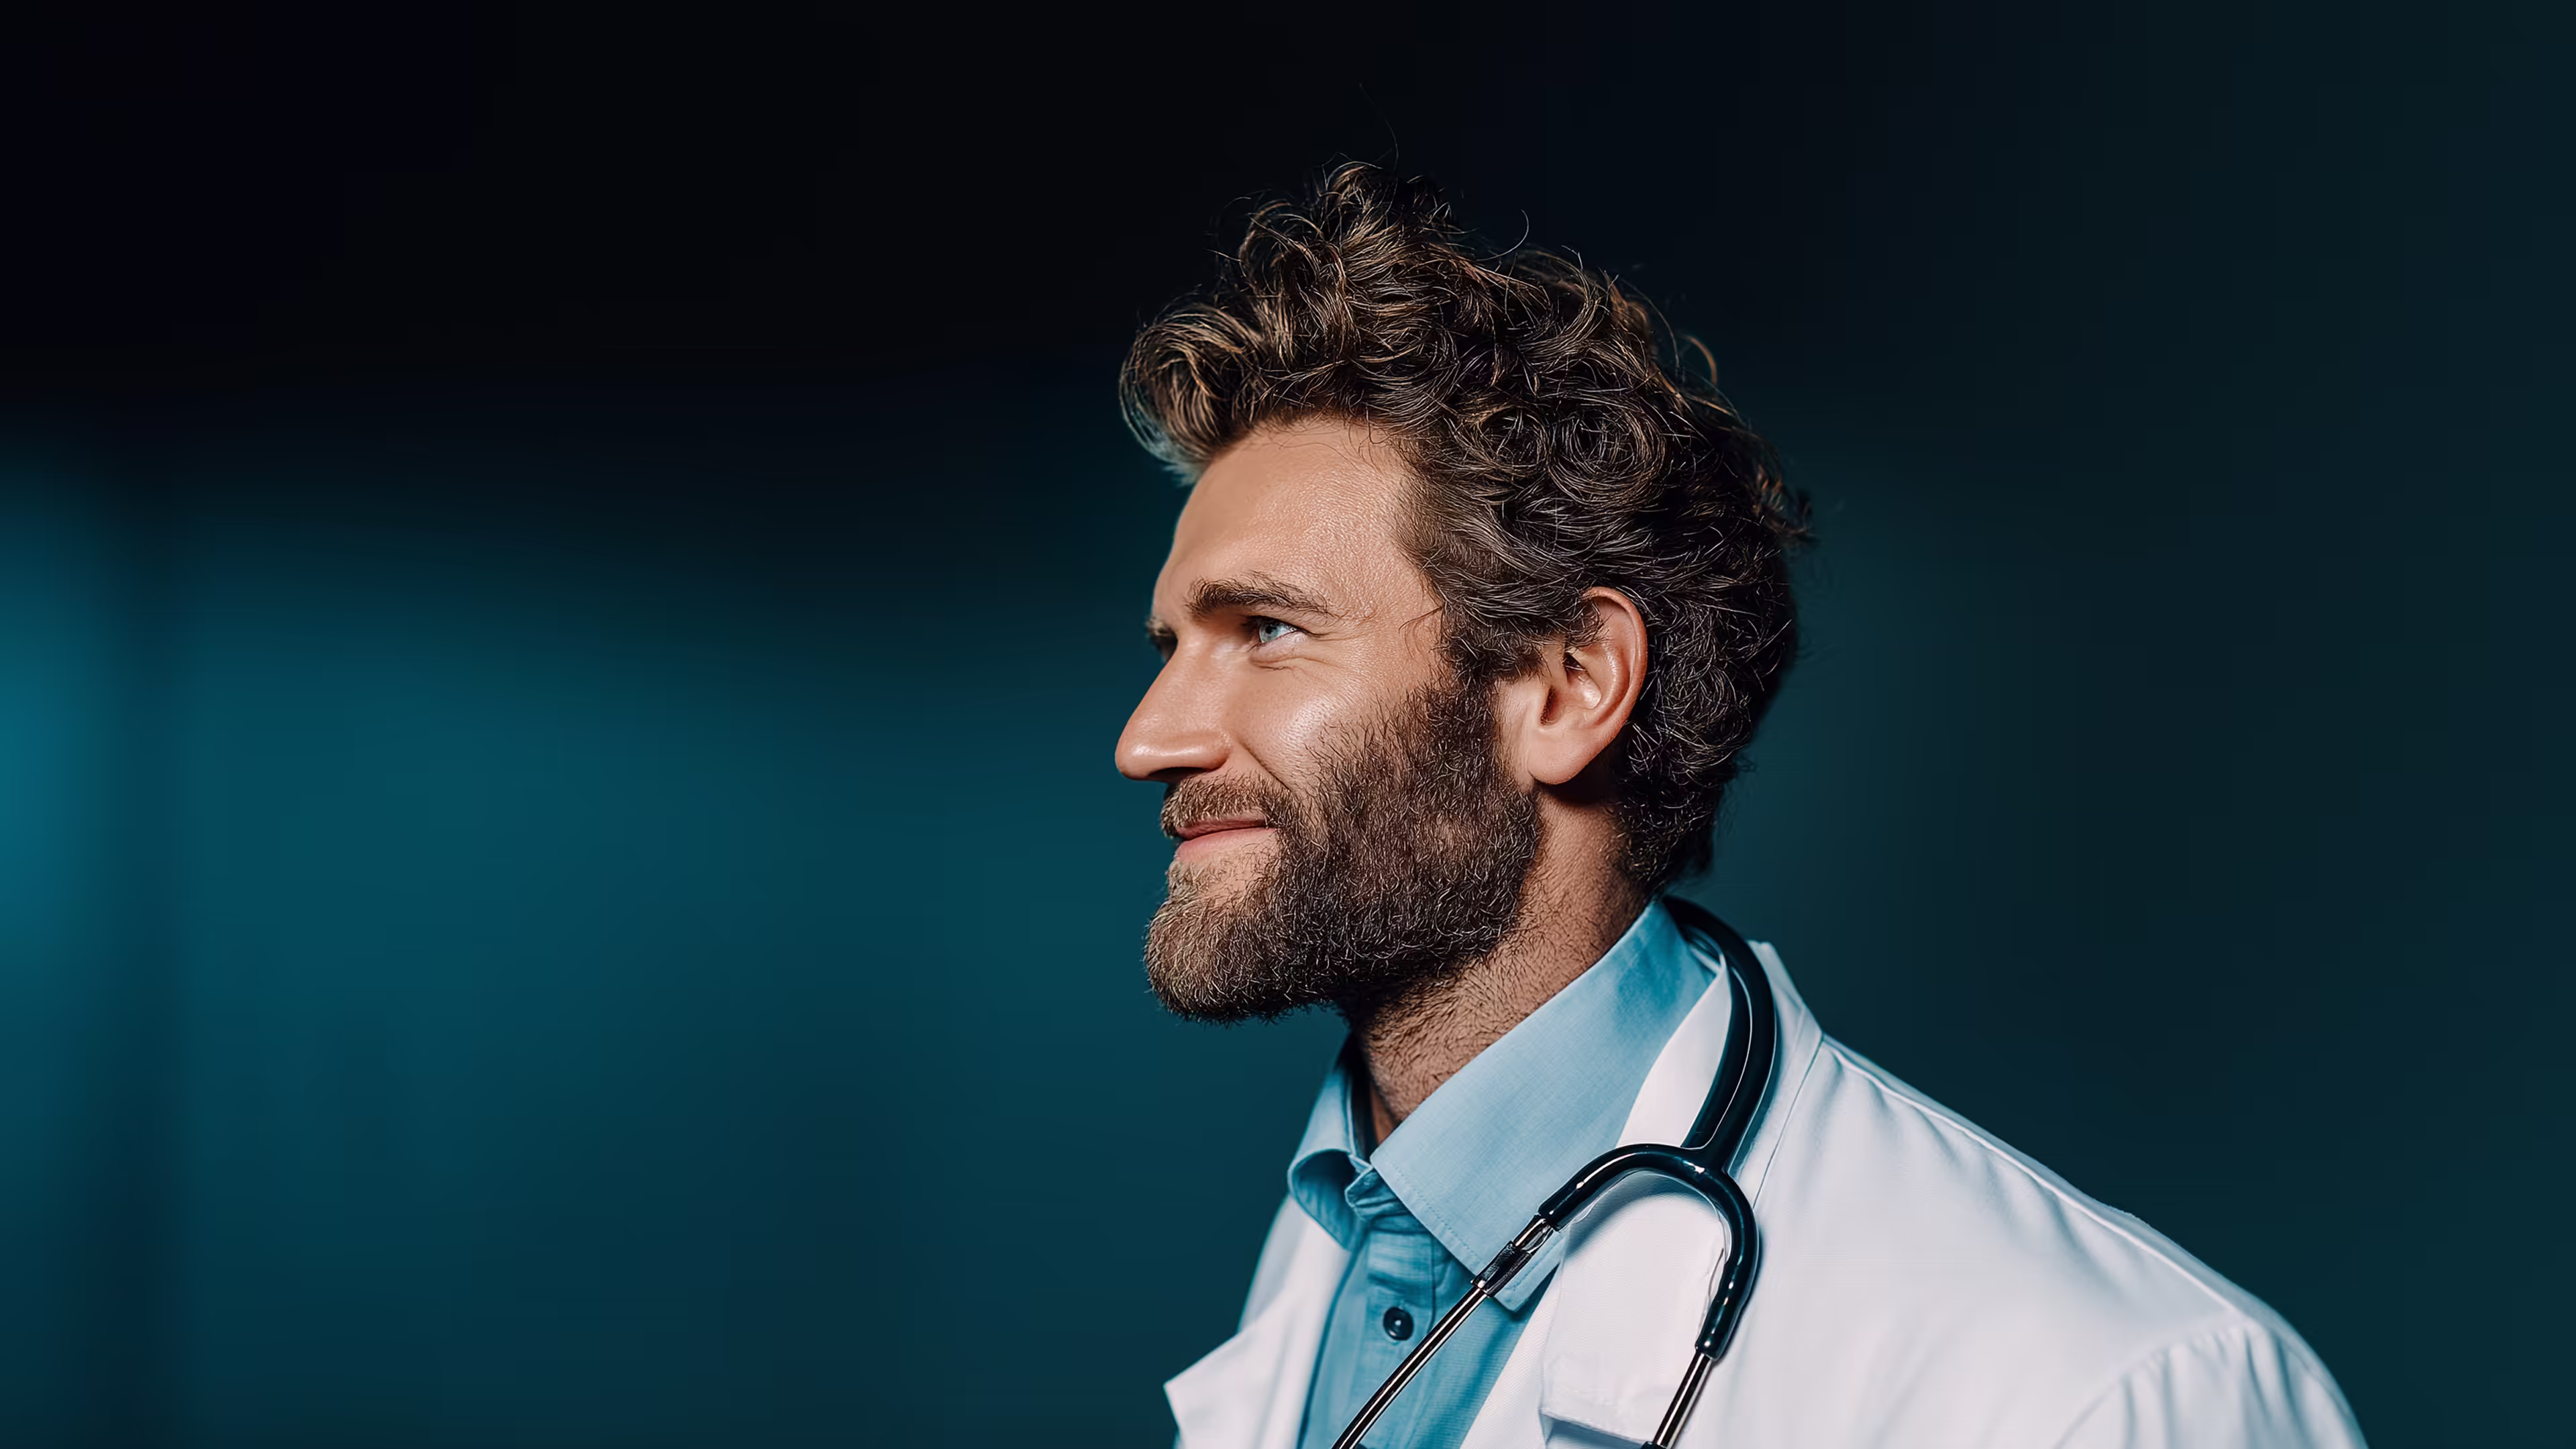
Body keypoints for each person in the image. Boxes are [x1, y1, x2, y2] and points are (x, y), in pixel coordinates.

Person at [1113, 164, 2362, 1449]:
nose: (1147, 741)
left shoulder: (2112, 1393)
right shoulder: (1344, 1232)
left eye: (1265, 630)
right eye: (1167, 646)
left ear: (1566, 685)